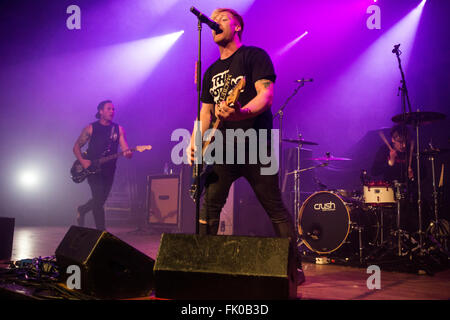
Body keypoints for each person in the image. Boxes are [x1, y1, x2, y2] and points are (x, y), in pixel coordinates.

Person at [187, 8, 304, 285]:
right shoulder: (211, 70)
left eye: (223, 18)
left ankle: (294, 268)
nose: (216, 21)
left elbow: (266, 95)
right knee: (209, 206)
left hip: (255, 143)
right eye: (214, 17)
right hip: (223, 147)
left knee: (274, 206)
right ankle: (203, 265)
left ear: (237, 26)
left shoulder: (254, 55)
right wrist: (196, 141)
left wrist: (241, 113)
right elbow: (205, 113)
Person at [73, 100, 132, 230]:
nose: (112, 111)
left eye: (113, 109)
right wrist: (83, 162)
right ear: (101, 111)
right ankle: (101, 231)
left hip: (109, 170)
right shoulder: (91, 128)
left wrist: (128, 153)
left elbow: (125, 148)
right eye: (109, 109)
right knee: (98, 201)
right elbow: (76, 147)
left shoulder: (118, 129)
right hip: (93, 170)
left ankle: (82, 209)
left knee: (99, 200)